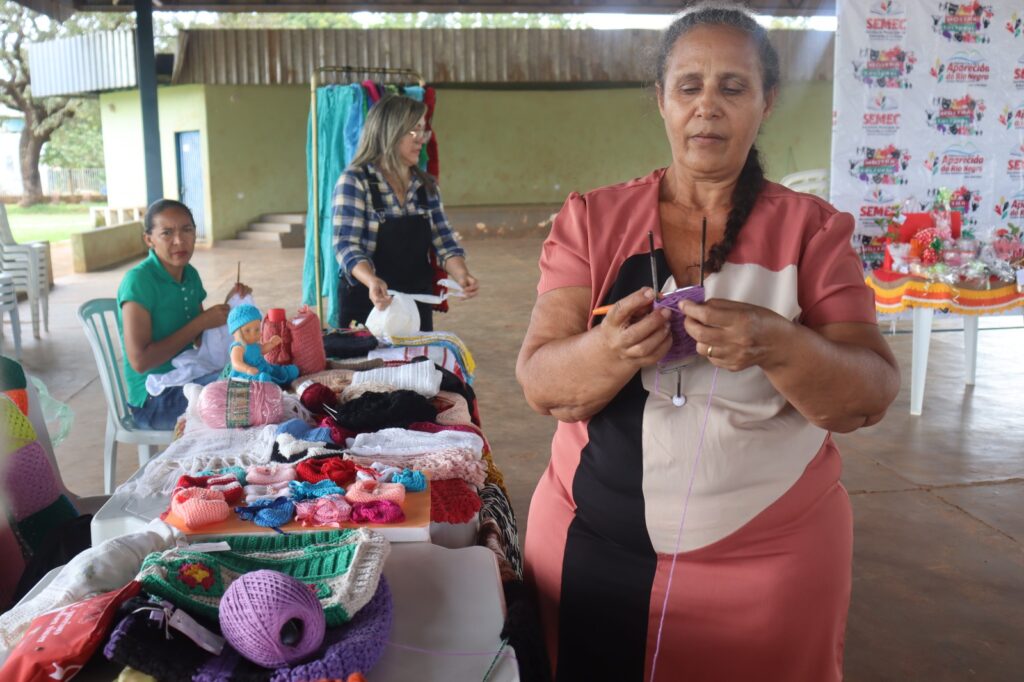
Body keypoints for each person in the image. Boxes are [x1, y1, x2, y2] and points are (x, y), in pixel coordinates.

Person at [515, 5, 901, 681]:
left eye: (733, 87)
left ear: (766, 101)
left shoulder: (814, 232)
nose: (707, 107)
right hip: (592, 554)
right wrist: (610, 350)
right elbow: (542, 384)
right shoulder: (592, 220)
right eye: (689, 86)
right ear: (661, 100)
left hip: (772, 569)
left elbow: (867, 396)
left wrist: (779, 344)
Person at [333, 93, 479, 331]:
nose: (421, 139)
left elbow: (444, 241)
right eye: (414, 131)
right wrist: (372, 280)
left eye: (423, 131)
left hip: (413, 304)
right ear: (390, 132)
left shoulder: (426, 186)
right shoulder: (355, 181)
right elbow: (346, 245)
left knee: (417, 355)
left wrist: (462, 275)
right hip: (366, 300)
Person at [118, 199, 251, 430]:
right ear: (149, 239)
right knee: (243, 401)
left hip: (188, 376)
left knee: (257, 380)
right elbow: (140, 362)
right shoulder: (139, 281)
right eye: (167, 233)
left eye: (186, 230)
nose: (179, 241)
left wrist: (230, 304)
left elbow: (199, 340)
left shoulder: (190, 275)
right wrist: (201, 322)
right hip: (154, 397)